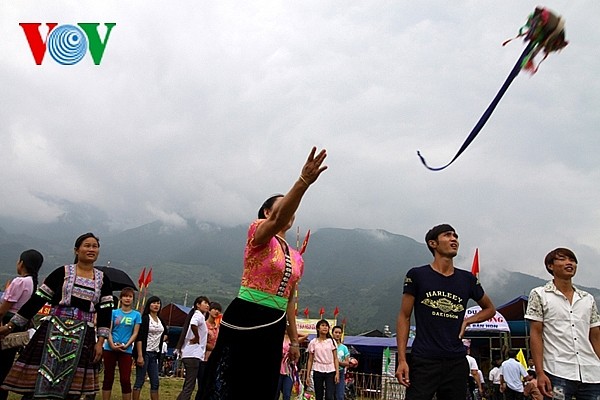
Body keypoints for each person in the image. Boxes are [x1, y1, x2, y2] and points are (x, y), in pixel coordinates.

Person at [198, 146, 328, 400]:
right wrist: (303, 182)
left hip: (275, 320)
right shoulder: (257, 233)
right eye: (282, 208)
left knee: (263, 382)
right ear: (268, 213)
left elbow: (290, 299)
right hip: (246, 313)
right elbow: (279, 219)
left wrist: (292, 339)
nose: (288, 214)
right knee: (231, 377)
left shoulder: (296, 256)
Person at [0, 233, 114, 399]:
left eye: (94, 246)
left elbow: (105, 312)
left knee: (72, 390)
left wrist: (101, 341)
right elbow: (37, 300)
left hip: (84, 336)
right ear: (76, 250)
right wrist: (10, 326)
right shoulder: (62, 272)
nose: (91, 249)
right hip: (52, 332)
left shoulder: (103, 280)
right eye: (87, 245)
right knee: (39, 382)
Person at [395, 224, 496, 400]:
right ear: (433, 243)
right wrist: (402, 360)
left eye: (455, 236)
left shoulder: (467, 279)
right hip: (425, 359)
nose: (454, 239)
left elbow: (490, 309)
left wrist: (468, 321)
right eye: (448, 235)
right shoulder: (417, 275)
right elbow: (404, 316)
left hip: (456, 360)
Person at [525, 247, 600, 399]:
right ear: (550, 266)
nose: (569, 263)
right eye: (562, 259)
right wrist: (540, 372)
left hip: (591, 371)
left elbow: (595, 337)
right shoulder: (539, 294)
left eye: (572, 260)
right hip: (557, 370)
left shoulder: (587, 298)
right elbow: (536, 334)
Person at [0, 249, 44, 400]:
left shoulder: (19, 281)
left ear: (22, 263)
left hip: (8, 322)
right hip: (20, 324)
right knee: (6, 363)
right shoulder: (32, 282)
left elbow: (3, 309)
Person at [102, 287, 142, 400]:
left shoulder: (136, 315)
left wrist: (127, 344)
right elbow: (108, 330)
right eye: (125, 296)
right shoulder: (113, 312)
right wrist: (112, 344)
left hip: (126, 350)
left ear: (133, 299)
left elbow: (135, 333)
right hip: (110, 348)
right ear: (120, 298)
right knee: (108, 377)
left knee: (125, 379)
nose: (127, 298)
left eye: (130, 296)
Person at [133, 296, 168, 400]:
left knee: (155, 382)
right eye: (154, 303)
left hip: (155, 353)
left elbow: (165, 333)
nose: (156, 305)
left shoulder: (160, 319)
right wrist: (139, 355)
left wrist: (160, 340)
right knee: (140, 380)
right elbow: (139, 338)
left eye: (158, 303)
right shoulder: (145, 318)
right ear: (149, 304)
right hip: (145, 352)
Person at [175, 296, 209, 400]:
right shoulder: (198, 315)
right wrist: (197, 337)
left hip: (190, 354)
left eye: (208, 303)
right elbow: (193, 324)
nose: (207, 305)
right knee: (190, 386)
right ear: (198, 305)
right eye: (205, 303)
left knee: (188, 384)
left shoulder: (198, 315)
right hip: (193, 354)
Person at [306, 319, 340, 400]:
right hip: (318, 369)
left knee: (329, 395)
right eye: (323, 325)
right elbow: (310, 360)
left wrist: (337, 373)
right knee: (319, 395)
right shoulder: (313, 342)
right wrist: (307, 375)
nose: (325, 327)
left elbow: (335, 358)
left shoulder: (332, 341)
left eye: (326, 326)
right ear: (318, 328)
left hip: (330, 370)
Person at [196, 301, 221, 400]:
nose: (216, 311)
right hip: (204, 358)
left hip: (215, 359)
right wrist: (214, 348)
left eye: (218, 310)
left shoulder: (218, 327)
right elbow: (202, 342)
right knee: (202, 385)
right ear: (209, 310)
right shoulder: (204, 325)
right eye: (214, 309)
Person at [277, 331, 308, 400]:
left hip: (289, 371)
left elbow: (306, 335)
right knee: (276, 394)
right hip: (279, 370)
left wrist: (293, 332)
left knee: (287, 394)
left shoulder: (294, 341)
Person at [332, 325, 350, 400]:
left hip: (340, 372)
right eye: (336, 332)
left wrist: (337, 362)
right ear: (332, 333)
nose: (338, 334)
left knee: (339, 395)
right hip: (330, 372)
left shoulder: (344, 348)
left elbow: (347, 363)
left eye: (339, 333)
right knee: (330, 395)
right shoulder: (329, 345)